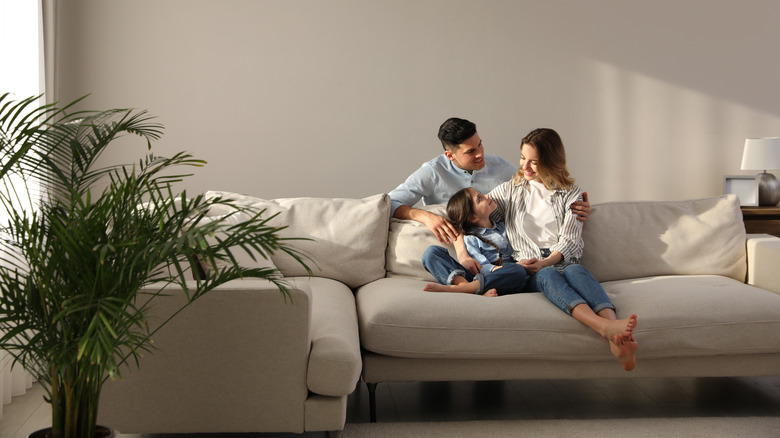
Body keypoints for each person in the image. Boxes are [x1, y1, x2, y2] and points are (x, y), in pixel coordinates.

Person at [486, 127, 638, 371]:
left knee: (575, 270)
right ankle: (604, 328)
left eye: (534, 162)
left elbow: (571, 240)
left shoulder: (571, 194)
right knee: (547, 274)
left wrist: (547, 261)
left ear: (551, 161)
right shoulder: (508, 191)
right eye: (523, 158)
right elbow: (475, 214)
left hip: (562, 261)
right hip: (530, 267)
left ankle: (618, 336)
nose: (525, 167)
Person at [389, 117, 591, 275]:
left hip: (503, 256)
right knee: (432, 255)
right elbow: (387, 204)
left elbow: (540, 189)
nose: (480, 154)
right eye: (471, 151)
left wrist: (575, 206)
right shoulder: (432, 172)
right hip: (461, 248)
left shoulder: (502, 168)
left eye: (480, 145)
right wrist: (425, 216)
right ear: (450, 156)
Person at [422, 187, 529, 297]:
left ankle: (471, 289)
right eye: (480, 198)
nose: (488, 196)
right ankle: (465, 286)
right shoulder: (471, 238)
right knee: (431, 253)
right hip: (481, 276)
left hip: (504, 279)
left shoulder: (504, 227)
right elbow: (481, 268)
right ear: (473, 217)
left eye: (482, 194)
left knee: (518, 271)